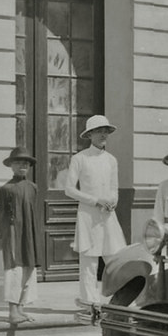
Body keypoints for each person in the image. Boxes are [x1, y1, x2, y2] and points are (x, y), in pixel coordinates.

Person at [65, 115, 127, 308]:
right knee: (89, 263)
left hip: (108, 216)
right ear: (90, 134)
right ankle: (89, 304)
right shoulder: (79, 158)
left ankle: (120, 303)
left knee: (116, 259)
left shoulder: (111, 160)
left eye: (105, 131)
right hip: (88, 216)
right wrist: (95, 201)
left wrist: (113, 201)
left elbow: (114, 188)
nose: (103, 135)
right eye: (99, 131)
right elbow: (69, 189)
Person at [0, 147, 42, 326]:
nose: (23, 166)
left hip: (29, 232)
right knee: (15, 269)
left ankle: (21, 307)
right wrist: (2, 236)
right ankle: (12, 311)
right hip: (13, 231)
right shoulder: (6, 189)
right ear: (11, 166)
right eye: (18, 163)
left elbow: (33, 211)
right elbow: (0, 215)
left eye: (26, 163)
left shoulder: (33, 187)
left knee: (29, 267)